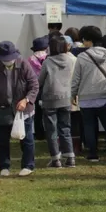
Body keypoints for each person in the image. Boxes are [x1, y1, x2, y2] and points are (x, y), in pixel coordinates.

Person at [0, 41, 39, 177]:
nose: (8, 61)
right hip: (2, 109)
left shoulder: (24, 65)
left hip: (23, 110)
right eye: (5, 59)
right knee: (2, 139)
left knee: (26, 138)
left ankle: (28, 165)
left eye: (10, 58)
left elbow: (34, 85)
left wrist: (26, 100)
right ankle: (4, 166)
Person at [71, 26, 106, 162]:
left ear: (87, 40)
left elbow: (76, 79)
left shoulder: (81, 57)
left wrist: (73, 94)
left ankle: (93, 154)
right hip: (104, 95)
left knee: (89, 127)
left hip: (86, 97)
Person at [38, 36, 76, 168]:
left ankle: (56, 159)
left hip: (50, 99)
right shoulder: (71, 60)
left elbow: (40, 81)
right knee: (65, 128)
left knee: (51, 130)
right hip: (66, 98)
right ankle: (70, 157)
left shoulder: (48, 62)